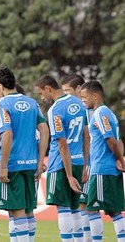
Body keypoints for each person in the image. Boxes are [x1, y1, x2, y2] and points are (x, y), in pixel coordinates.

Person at [0, 67, 49, 242]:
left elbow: (6, 134)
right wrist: (40, 161)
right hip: (31, 163)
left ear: (1, 86)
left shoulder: (2, 104)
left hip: (13, 165)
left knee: (17, 212)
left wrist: (3, 166)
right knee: (28, 211)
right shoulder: (32, 103)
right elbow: (44, 130)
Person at [35, 74, 89, 242]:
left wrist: (68, 175)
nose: (41, 97)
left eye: (40, 93)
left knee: (63, 209)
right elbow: (86, 136)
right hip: (79, 162)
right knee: (75, 209)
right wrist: (85, 165)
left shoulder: (55, 110)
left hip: (60, 165)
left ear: (48, 89)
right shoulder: (80, 104)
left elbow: (62, 144)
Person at [79, 81, 125, 242]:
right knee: (114, 212)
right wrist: (120, 160)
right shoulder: (110, 113)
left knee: (91, 210)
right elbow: (119, 141)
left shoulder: (99, 114)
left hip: (101, 169)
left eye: (84, 97)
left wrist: (121, 160)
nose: (82, 100)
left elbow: (112, 141)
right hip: (111, 169)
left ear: (95, 95)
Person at [61, 73, 92, 242]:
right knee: (81, 206)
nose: (65, 95)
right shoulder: (85, 109)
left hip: (86, 163)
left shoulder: (85, 109)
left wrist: (86, 165)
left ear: (79, 89)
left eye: (67, 91)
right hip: (84, 162)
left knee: (82, 206)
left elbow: (87, 137)